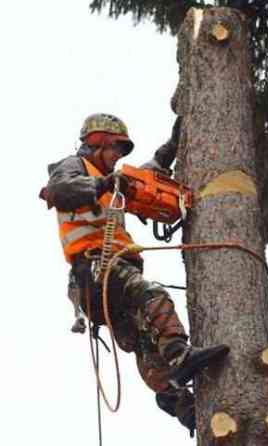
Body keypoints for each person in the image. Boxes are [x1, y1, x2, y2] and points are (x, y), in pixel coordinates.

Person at [40, 113, 229, 436]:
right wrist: (102, 183)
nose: (118, 157)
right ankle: (179, 354)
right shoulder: (75, 169)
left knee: (144, 342)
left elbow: (147, 175)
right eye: (115, 149)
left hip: (106, 278)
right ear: (96, 143)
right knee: (152, 296)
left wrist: (172, 146)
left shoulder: (113, 180)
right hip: (96, 267)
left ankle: (178, 401)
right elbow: (59, 190)